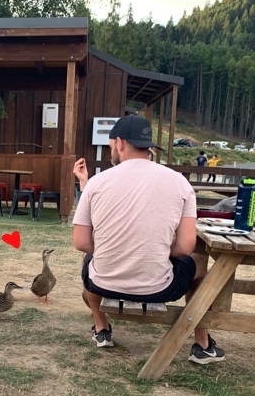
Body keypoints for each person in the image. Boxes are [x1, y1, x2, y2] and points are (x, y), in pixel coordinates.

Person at [72, 115, 225, 363]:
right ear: (149, 147)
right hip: (160, 288)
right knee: (199, 263)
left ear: (120, 143)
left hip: (102, 283)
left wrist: (112, 248)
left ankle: (102, 329)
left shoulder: (96, 182)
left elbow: (80, 241)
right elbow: (185, 247)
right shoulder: (180, 183)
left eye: (111, 145)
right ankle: (202, 343)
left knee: (89, 259)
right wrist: (157, 250)